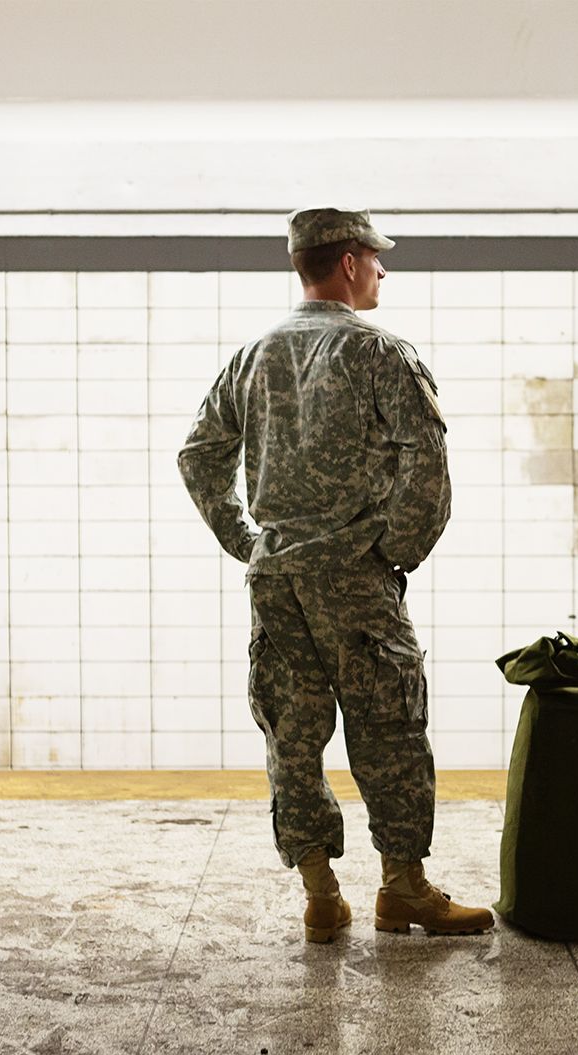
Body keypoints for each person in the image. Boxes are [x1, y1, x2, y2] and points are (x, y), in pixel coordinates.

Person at [177, 207, 494, 943]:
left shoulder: (253, 355)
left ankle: (321, 898)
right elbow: (426, 465)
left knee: (291, 732)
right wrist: (394, 551)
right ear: (347, 263)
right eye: (375, 258)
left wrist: (245, 540)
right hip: (352, 578)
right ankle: (404, 889)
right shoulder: (381, 352)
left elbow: (199, 454)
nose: (383, 270)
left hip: (276, 576)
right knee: (390, 728)